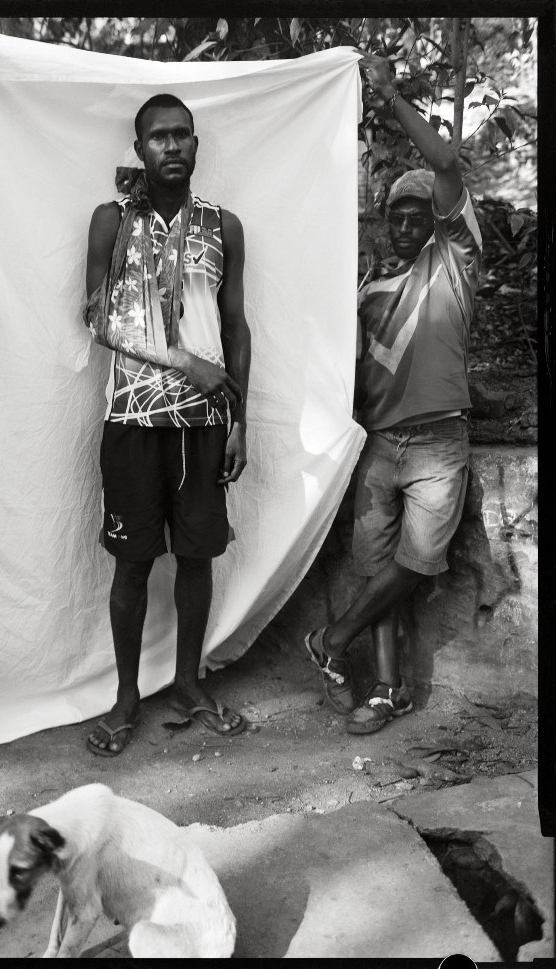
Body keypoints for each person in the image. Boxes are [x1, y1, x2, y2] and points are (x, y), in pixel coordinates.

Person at [303, 53, 482, 734]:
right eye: (396, 218)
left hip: (439, 442)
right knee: (378, 567)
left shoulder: (455, 263)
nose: (407, 226)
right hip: (381, 445)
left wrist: (389, 92)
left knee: (415, 563)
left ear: (436, 222)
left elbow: (444, 164)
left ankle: (333, 638)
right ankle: (386, 691)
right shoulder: (366, 292)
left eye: (418, 216)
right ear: (382, 225)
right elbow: (343, 369)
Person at [84, 93, 252, 755]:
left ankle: (187, 683)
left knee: (196, 558)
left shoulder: (223, 225)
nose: (173, 145)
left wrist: (240, 417)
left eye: (183, 134)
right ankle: (127, 696)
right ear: (140, 147)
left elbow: (238, 327)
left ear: (197, 144)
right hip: (131, 416)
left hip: (206, 422)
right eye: (159, 136)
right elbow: (96, 319)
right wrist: (184, 360)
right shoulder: (112, 222)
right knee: (131, 566)